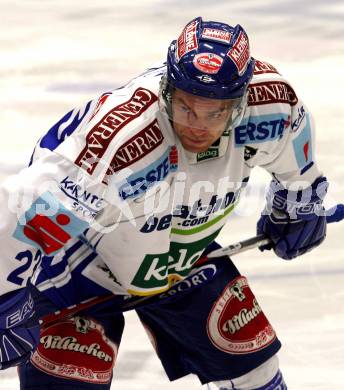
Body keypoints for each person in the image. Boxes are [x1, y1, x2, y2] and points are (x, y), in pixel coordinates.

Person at [0, 16, 328, 389]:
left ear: (240, 101)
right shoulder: (120, 142)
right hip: (80, 264)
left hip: (181, 256)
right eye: (186, 107)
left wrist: (298, 205)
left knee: (256, 371)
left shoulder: (271, 105)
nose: (198, 126)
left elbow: (298, 168)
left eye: (215, 112)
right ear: (167, 89)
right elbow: (21, 218)